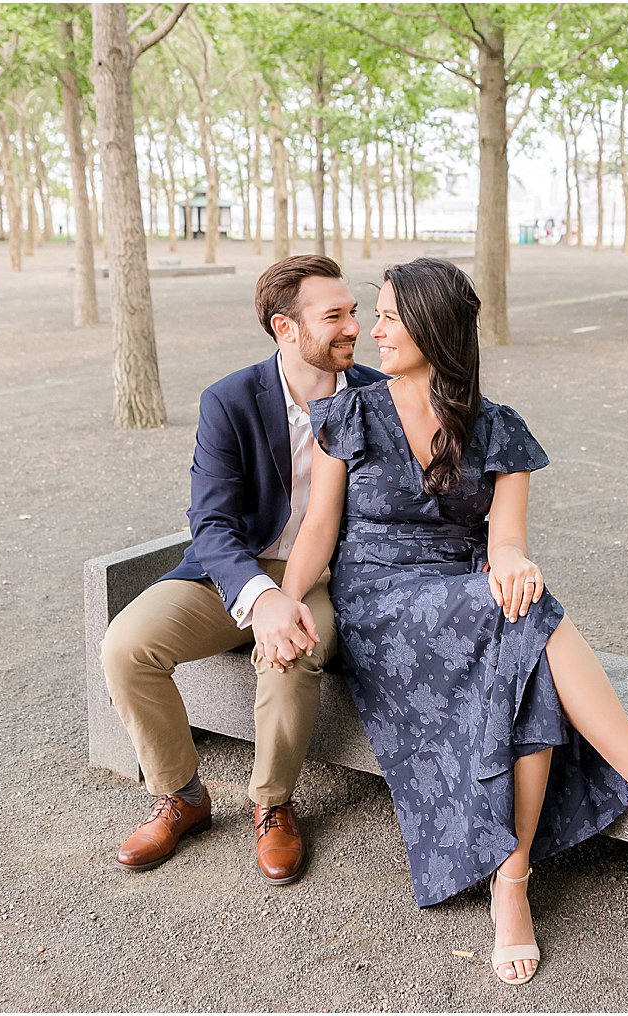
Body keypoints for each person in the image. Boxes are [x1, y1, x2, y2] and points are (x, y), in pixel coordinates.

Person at [273, 258, 628, 986]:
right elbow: (320, 527)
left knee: (521, 624)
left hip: (464, 597)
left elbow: (506, 539)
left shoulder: (499, 429)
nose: (374, 330)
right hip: (381, 607)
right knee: (522, 620)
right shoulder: (350, 414)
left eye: (388, 316)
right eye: (374, 315)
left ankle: (513, 887)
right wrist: (289, 600)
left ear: (435, 328)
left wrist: (511, 563)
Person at [100, 254, 387, 885]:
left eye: (354, 313)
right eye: (334, 316)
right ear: (286, 329)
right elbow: (211, 520)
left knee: (291, 653)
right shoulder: (228, 401)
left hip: (324, 575)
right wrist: (259, 597)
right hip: (226, 572)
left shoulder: (377, 396)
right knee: (125, 645)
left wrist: (292, 597)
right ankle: (181, 795)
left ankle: (273, 804)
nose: (353, 328)